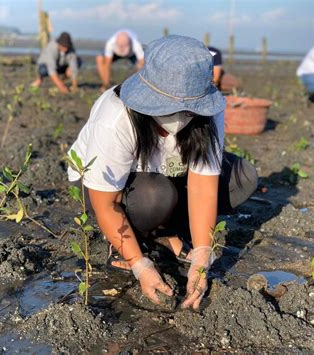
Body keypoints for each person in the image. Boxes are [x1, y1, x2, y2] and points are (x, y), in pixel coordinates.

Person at [68, 35, 257, 309]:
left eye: (190, 109)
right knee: (155, 196)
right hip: (109, 190)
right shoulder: (115, 117)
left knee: (242, 177)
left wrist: (203, 255)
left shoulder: (209, 109)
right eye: (170, 106)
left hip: (167, 176)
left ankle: (165, 232)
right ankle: (138, 241)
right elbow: (105, 203)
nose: (181, 115)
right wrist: (140, 265)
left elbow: (203, 185)